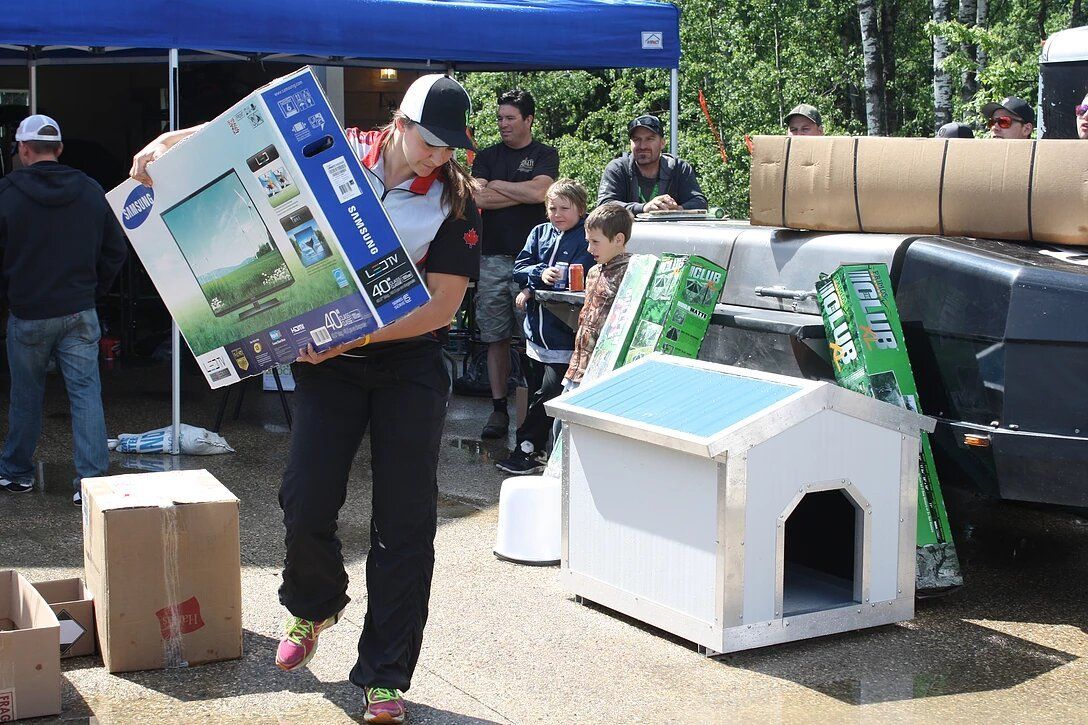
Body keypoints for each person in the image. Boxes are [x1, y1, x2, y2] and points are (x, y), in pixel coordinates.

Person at [131, 74, 481, 725]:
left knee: (405, 523)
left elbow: (441, 306)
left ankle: (385, 674)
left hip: (406, 364)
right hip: (330, 368)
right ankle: (314, 603)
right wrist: (167, 142)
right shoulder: (336, 146)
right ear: (399, 124)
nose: (439, 157)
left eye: (449, 148)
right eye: (431, 143)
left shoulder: (455, 204)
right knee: (305, 496)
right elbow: (243, 138)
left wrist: (354, 329)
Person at [0, 114, 126, 505]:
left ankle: (16, 473)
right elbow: (115, 250)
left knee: (26, 395)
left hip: (28, 312)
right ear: (59, 149)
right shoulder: (90, 191)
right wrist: (93, 290)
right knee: (86, 394)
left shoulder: (6, 194)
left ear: (22, 149)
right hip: (78, 311)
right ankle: (89, 483)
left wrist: (10, 295)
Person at [471, 89, 559, 441]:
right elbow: (476, 196)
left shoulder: (544, 154)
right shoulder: (487, 155)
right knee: (495, 337)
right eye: (500, 118)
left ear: (528, 120)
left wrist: (499, 186)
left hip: (533, 261)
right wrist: (519, 191)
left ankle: (533, 412)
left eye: (510, 118)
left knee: (533, 337)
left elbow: (542, 193)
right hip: (491, 258)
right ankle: (497, 410)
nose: (503, 124)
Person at [496, 179, 594, 475]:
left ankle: (526, 448)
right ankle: (540, 453)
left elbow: (583, 273)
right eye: (552, 208)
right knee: (539, 391)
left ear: (581, 209)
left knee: (548, 396)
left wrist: (536, 285)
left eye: (565, 208)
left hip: (566, 337)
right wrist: (538, 276)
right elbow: (519, 268)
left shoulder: (588, 236)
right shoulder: (539, 232)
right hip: (534, 335)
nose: (558, 214)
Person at [563, 203, 634, 392]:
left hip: (603, 371)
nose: (589, 249)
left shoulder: (632, 272)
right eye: (588, 241)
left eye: (595, 242)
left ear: (619, 239)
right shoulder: (594, 271)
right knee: (559, 421)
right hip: (578, 367)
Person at [597, 114, 707, 214]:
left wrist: (677, 209)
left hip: (669, 234)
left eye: (649, 139)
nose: (642, 146)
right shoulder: (618, 169)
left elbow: (700, 202)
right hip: (628, 235)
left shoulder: (679, 168)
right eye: (636, 139)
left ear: (662, 143)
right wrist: (644, 208)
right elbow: (604, 206)